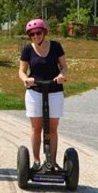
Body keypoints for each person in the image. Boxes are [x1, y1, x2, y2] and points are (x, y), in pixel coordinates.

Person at [18, 18, 68, 170]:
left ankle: (51, 162)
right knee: (36, 128)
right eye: (32, 34)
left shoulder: (56, 46)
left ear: (44, 32)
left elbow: (64, 67)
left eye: (38, 33)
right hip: (35, 91)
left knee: (53, 128)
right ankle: (36, 161)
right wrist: (26, 79)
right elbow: (21, 70)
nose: (35, 36)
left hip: (54, 90)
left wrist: (61, 76)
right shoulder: (27, 50)